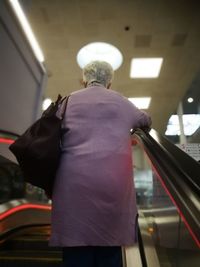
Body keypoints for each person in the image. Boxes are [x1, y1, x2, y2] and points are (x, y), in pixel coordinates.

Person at [49, 60, 151, 267]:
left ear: (84, 80)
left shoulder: (67, 102)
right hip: (113, 186)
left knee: (76, 251)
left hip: (73, 186)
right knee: (110, 248)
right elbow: (145, 120)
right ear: (110, 83)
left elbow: (50, 135)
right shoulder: (121, 102)